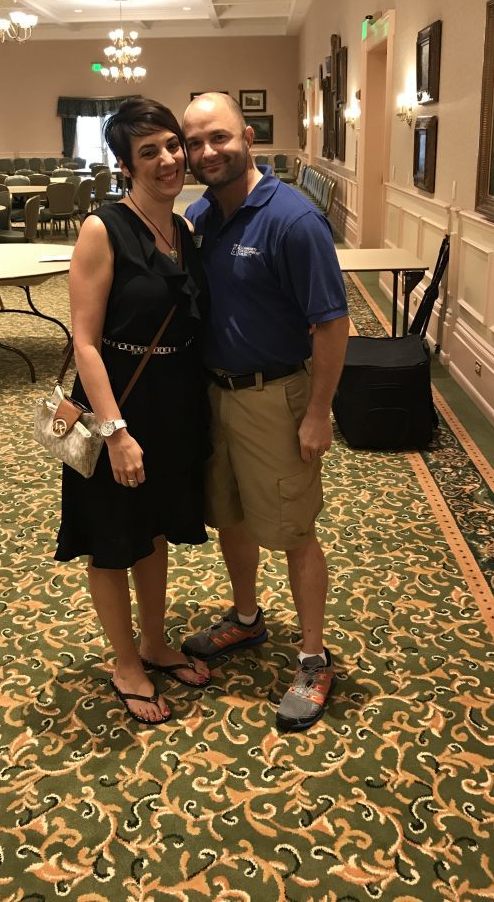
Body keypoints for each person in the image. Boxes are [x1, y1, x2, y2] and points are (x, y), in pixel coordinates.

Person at [181, 92, 350, 733]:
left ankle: (313, 659)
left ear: (248, 137)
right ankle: (247, 619)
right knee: (231, 514)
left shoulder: (293, 219)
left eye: (219, 137)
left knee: (294, 530)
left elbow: (332, 325)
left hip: (277, 397)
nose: (206, 152)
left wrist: (319, 412)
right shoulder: (201, 215)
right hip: (215, 394)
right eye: (194, 143)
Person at [55, 97, 211, 726]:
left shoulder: (183, 229)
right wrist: (116, 431)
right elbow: (85, 341)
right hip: (115, 401)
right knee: (112, 537)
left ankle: (153, 642)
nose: (169, 159)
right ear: (125, 165)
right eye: (150, 151)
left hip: (172, 399)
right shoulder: (103, 228)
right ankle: (125, 663)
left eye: (173, 145)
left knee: (154, 529)